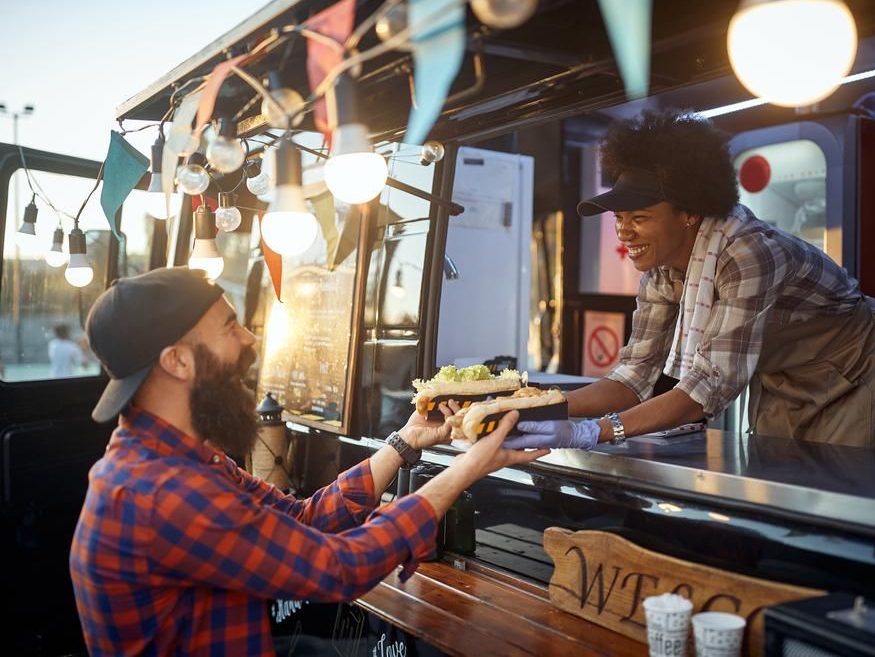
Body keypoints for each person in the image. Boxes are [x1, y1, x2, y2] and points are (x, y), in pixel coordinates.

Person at [69, 268, 547, 656]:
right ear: (178, 362)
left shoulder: (181, 460)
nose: (250, 339)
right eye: (229, 326)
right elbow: (336, 568)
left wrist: (406, 441)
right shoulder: (162, 491)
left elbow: (304, 520)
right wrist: (466, 468)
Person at [505, 109, 875, 453]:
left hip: (854, 372)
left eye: (640, 218)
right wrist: (543, 406)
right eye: (620, 219)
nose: (625, 232)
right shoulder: (662, 271)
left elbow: (705, 389)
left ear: (690, 213)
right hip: (782, 381)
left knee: (840, 507)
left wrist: (593, 431)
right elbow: (634, 375)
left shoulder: (748, 253)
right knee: (782, 497)